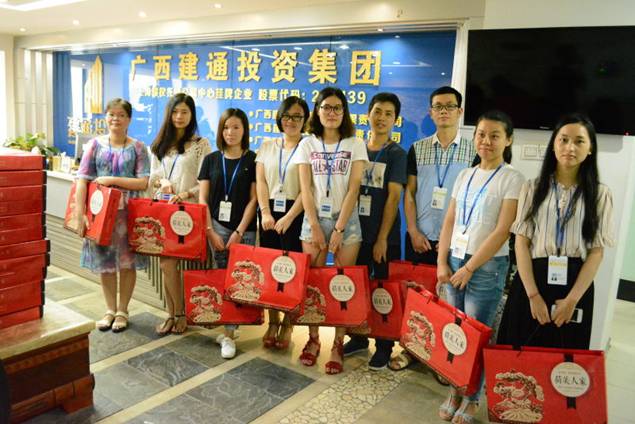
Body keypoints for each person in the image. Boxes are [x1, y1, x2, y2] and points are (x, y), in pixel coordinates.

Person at [436, 110, 524, 423]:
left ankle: (472, 397)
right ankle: (455, 389)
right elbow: (449, 220)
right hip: (454, 260)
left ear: (508, 140)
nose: (486, 141)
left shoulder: (512, 178)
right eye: (481, 134)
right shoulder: (465, 174)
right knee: (455, 332)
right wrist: (441, 260)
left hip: (486, 267)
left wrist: (470, 267)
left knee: (476, 334)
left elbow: (503, 230)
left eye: (494, 135)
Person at [498, 113, 614, 350]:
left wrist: (572, 300)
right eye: (563, 140)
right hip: (533, 279)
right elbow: (521, 243)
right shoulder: (532, 188)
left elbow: (596, 252)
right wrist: (533, 296)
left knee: (563, 358)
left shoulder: (600, 194)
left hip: (574, 284)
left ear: (590, 148)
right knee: (520, 354)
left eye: (579, 141)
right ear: (553, 144)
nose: (570, 147)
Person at [392, 86, 476, 371]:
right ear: (430, 112)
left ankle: (441, 358)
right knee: (418, 297)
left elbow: (473, 200)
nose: (443, 111)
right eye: (438, 106)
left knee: (450, 302)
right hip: (421, 237)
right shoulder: (418, 148)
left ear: (460, 111)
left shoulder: (474, 150)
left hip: (454, 242)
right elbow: (410, 193)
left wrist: (453, 239)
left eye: (450, 106)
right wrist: (413, 230)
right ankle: (412, 349)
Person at [293, 87, 368, 374]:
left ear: (344, 112)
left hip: (346, 220)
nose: (331, 113)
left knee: (341, 285)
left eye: (337, 108)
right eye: (326, 107)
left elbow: (354, 188)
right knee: (312, 284)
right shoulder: (307, 144)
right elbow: (306, 188)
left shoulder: (354, 143)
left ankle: (337, 343)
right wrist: (315, 225)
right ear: (317, 110)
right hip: (313, 219)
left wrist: (338, 228)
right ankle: (313, 340)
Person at [341, 92, 407, 370]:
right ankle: (358, 338)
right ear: (368, 113)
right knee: (356, 288)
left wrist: (381, 239)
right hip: (355, 234)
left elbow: (393, 198)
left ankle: (384, 346)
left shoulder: (397, 154)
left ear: (395, 119)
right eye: (377, 111)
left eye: (388, 114)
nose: (381, 118)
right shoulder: (356, 148)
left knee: (383, 293)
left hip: (383, 237)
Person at [76, 98, 150, 333]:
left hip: (128, 215)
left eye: (121, 115)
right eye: (111, 114)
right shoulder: (94, 145)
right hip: (100, 215)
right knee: (105, 263)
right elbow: (82, 180)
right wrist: (80, 214)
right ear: (105, 117)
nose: (115, 119)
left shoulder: (138, 148)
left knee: (127, 263)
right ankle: (109, 310)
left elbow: (143, 182)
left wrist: (111, 180)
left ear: (129, 119)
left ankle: (123, 311)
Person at [149, 93, 212, 336]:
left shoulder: (200, 144)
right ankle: (174, 313)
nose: (179, 116)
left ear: (192, 115)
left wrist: (185, 194)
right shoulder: (159, 144)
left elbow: (205, 181)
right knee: (166, 264)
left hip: (187, 213)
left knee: (172, 264)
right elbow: (153, 177)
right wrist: (162, 182)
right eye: (175, 112)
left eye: (185, 112)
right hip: (164, 211)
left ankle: (179, 314)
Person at [198, 108, 257, 359]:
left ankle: (229, 333)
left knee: (240, 282)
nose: (230, 132)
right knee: (223, 280)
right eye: (225, 127)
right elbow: (203, 199)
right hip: (216, 228)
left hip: (244, 230)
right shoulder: (211, 159)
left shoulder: (253, 159)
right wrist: (209, 230)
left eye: (235, 127)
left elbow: (254, 200)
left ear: (244, 130)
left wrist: (239, 232)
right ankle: (229, 332)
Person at [256, 96, 309, 350]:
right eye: (287, 115)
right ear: (280, 117)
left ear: (305, 120)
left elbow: (309, 188)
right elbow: (261, 182)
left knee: (291, 272)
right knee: (270, 270)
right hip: (268, 212)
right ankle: (273, 321)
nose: (292, 121)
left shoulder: (308, 146)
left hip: (296, 213)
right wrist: (266, 212)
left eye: (298, 116)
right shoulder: (267, 145)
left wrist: (289, 217)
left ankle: (288, 323)